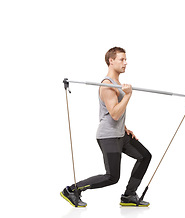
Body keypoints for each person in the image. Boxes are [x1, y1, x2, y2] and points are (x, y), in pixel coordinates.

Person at [61, 47, 152, 207]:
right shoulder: (107, 85)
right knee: (112, 177)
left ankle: (129, 195)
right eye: (121, 59)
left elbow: (116, 115)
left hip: (120, 134)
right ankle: (72, 190)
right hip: (108, 136)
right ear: (111, 61)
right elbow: (115, 114)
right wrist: (129, 95)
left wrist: (124, 127)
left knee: (145, 156)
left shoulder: (117, 84)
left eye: (125, 59)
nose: (125, 63)